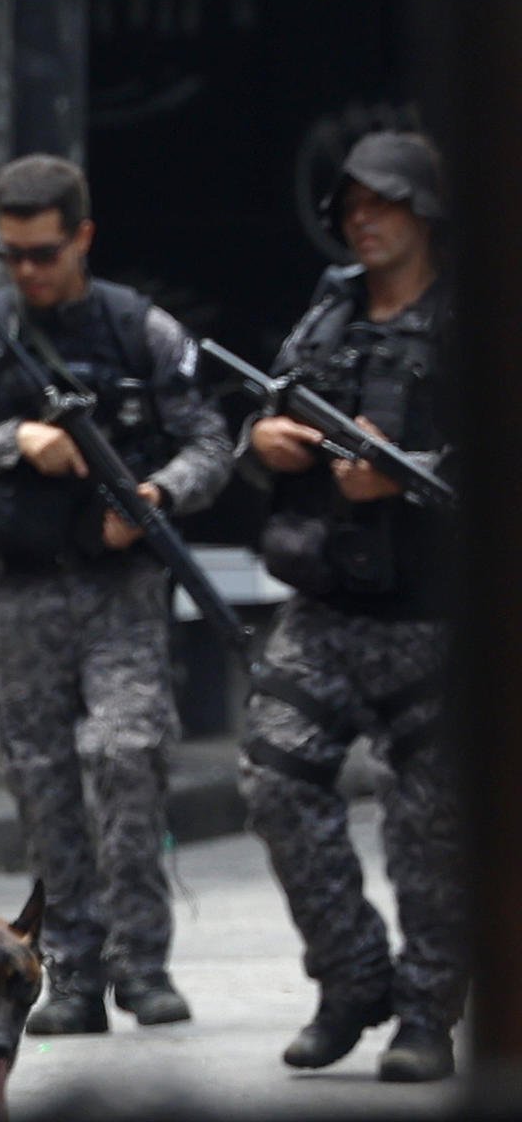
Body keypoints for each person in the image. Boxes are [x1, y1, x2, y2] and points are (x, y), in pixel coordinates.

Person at [0, 154, 232, 1036]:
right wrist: (17, 440)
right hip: (16, 599)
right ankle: (75, 975)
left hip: (119, 593)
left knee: (126, 760)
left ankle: (143, 965)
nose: (27, 272)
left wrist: (156, 496)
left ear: (82, 237)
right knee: (45, 788)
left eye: (43, 253)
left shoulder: (139, 331)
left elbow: (210, 441)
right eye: (11, 254)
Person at [236, 131, 462, 1082]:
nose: (363, 221)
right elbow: (264, 413)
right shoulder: (329, 311)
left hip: (439, 615)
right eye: (350, 207)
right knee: (275, 783)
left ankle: (426, 1013)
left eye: (384, 203)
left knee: (432, 825)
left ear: (425, 211)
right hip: (328, 605)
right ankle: (350, 980)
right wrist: (269, 440)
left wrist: (409, 482)